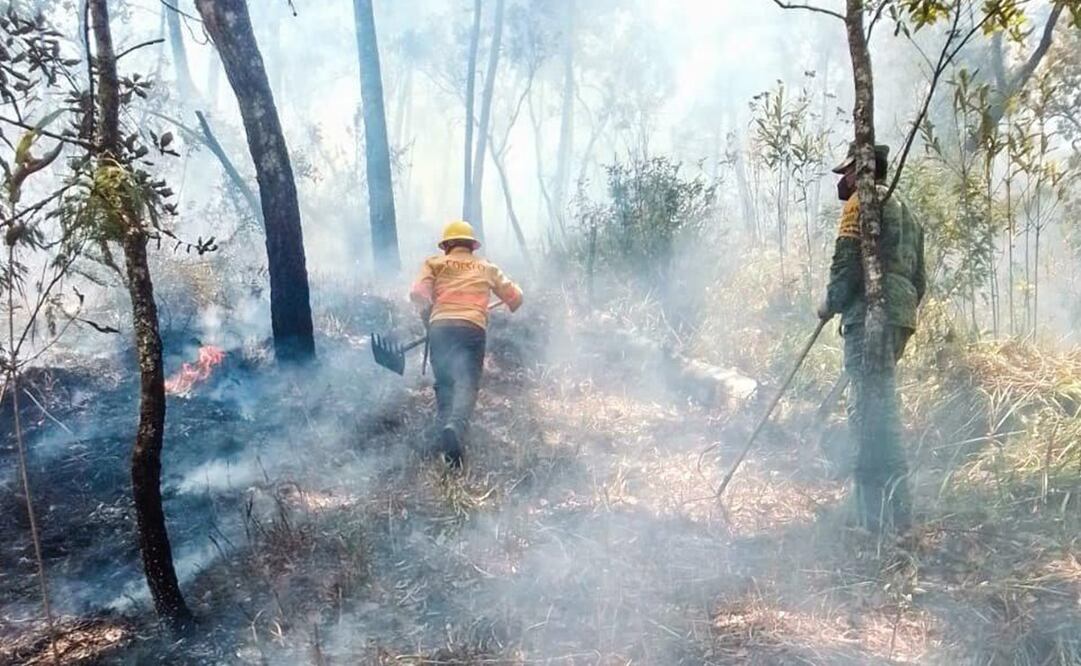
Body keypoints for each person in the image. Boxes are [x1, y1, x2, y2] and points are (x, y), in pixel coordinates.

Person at [817, 143, 926, 531]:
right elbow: (920, 281)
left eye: (845, 173)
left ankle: (871, 521)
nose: (842, 182)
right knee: (882, 410)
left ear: (861, 170)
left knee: (866, 413)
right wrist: (899, 309)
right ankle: (898, 514)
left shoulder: (859, 205)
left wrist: (829, 302)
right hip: (900, 318)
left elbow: (846, 265)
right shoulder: (908, 212)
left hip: (870, 318)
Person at [410, 220, 524, 467]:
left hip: (440, 328)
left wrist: (428, 317)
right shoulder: (486, 267)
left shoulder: (435, 263)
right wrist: (512, 296)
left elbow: (417, 294)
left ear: (447, 245)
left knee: (444, 383)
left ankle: (445, 437)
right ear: (472, 246)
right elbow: (515, 298)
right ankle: (456, 428)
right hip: (471, 329)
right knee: (467, 383)